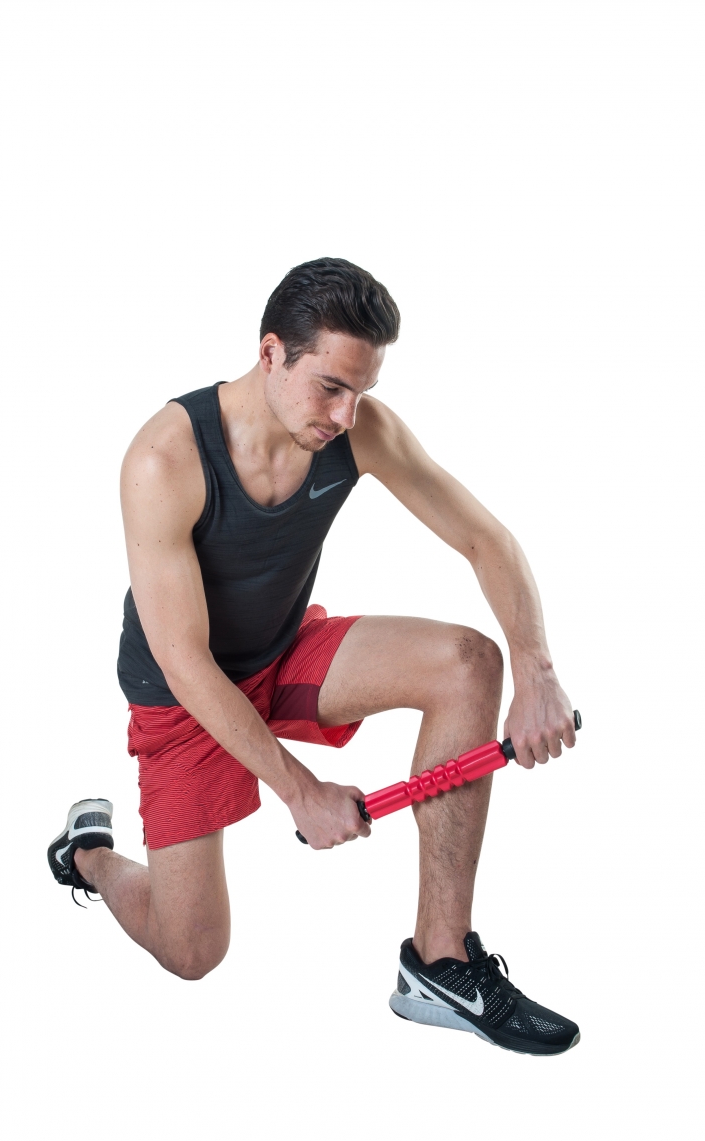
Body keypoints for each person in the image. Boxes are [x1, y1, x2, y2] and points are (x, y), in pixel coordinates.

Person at [48, 257, 580, 1055]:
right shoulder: (165, 458)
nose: (345, 413)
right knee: (192, 951)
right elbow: (185, 661)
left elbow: (486, 539)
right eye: (330, 386)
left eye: (360, 390)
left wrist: (537, 671)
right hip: (185, 694)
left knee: (469, 662)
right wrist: (300, 791)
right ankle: (88, 855)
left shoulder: (361, 429)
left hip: (282, 649)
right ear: (271, 354)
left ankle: (440, 963)